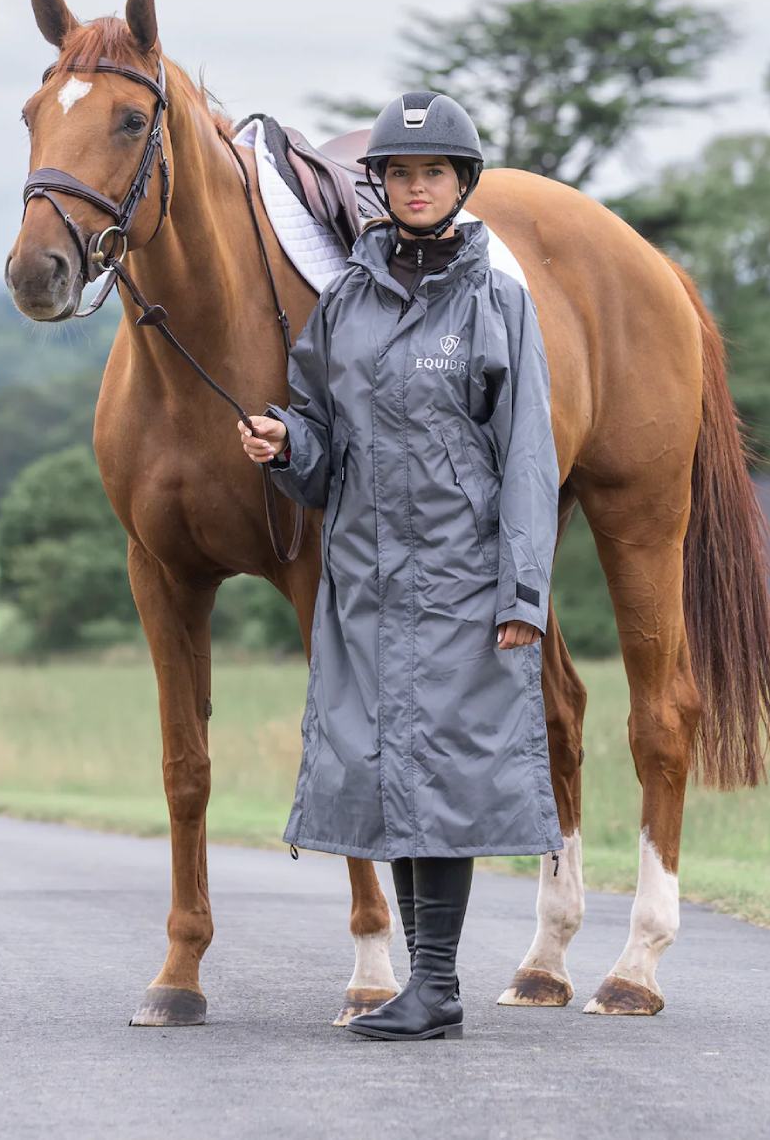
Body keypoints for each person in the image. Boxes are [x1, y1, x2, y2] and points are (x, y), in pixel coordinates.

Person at [237, 91, 562, 1041]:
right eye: (401, 174)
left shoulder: (497, 301)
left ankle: (435, 987)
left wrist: (524, 595)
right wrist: (283, 444)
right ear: (379, 186)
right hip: (367, 586)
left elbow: (528, 459)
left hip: (464, 586)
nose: (417, 188)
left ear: (461, 185)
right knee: (389, 773)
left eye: (435, 173)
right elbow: (324, 449)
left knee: (447, 778)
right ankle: (433, 990)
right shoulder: (344, 305)